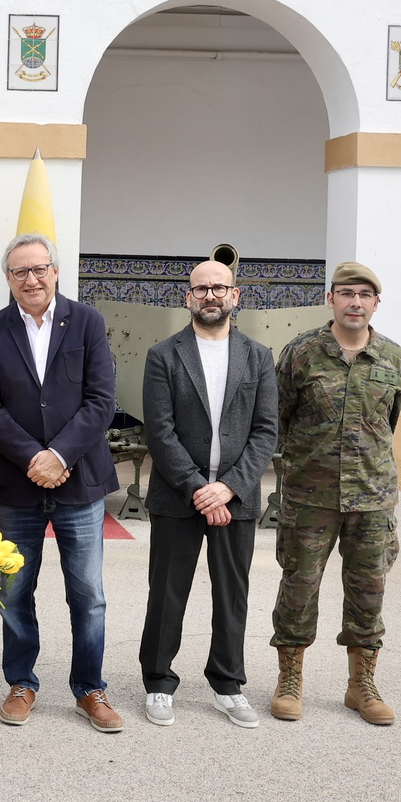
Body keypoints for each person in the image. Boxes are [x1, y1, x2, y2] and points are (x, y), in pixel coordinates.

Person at [0, 232, 121, 732]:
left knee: (88, 593)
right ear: (8, 278)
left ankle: (90, 689)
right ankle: (21, 682)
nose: (31, 279)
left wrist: (58, 455)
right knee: (14, 590)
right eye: (20, 271)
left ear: (56, 271)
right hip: (18, 484)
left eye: (39, 269)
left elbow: (101, 400)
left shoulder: (87, 321)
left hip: (79, 482)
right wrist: (34, 458)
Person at [137, 260, 278, 729]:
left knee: (232, 594)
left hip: (237, 497)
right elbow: (159, 431)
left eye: (220, 287)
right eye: (201, 289)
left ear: (235, 296)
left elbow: (266, 431)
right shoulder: (164, 355)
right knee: (167, 592)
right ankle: (158, 682)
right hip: (178, 495)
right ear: (188, 297)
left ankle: (227, 685)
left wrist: (228, 488)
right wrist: (200, 489)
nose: (211, 295)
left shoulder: (258, 356)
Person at [270, 261, 401, 726]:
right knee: (298, 588)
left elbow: (389, 422)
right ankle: (290, 679)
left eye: (364, 295)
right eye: (347, 293)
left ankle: (360, 685)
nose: (355, 302)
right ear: (331, 299)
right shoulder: (301, 353)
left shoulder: (392, 357)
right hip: (310, 497)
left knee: (369, 592)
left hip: (372, 497)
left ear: (375, 304)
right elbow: (280, 418)